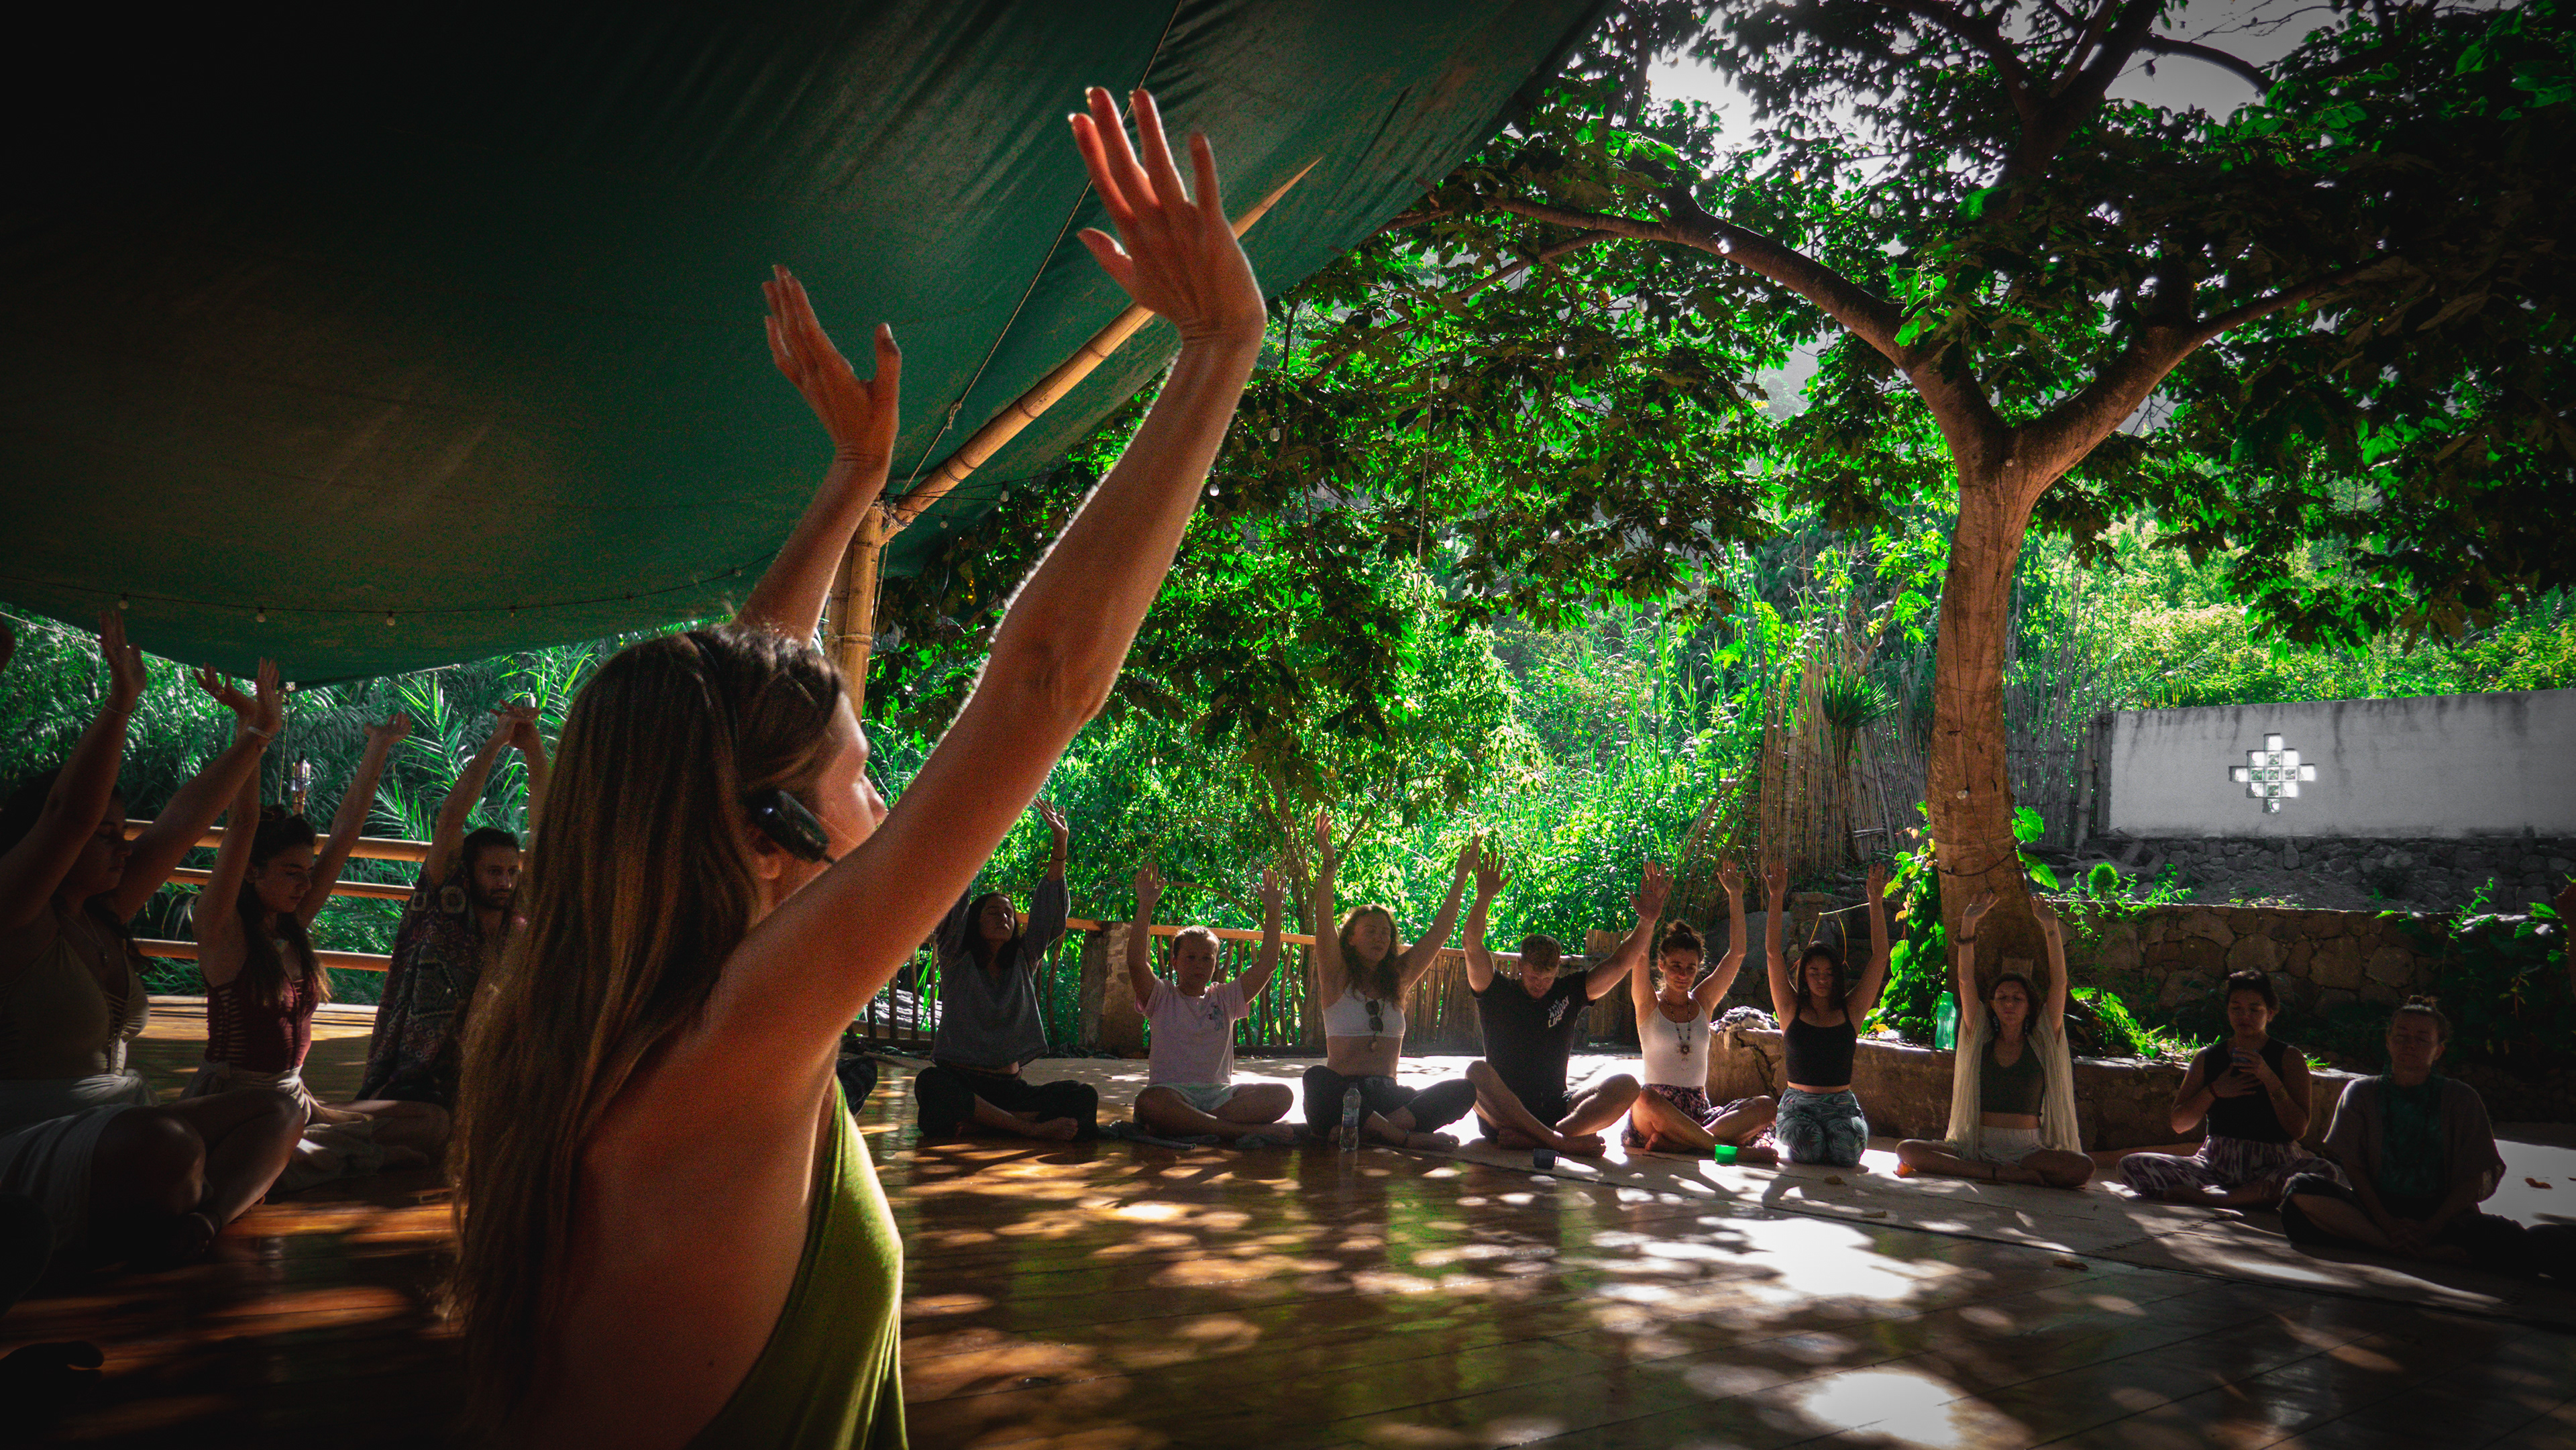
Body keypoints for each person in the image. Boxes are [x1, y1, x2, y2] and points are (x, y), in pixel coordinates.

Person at [447, 83, 1266, 1446]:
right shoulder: (739, 1040)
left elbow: (729, 719)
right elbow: (1042, 684)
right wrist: (1220, 349)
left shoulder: (594, 1016)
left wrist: (851, 482)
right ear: (766, 838)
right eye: (865, 778)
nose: (887, 809)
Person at [0, 615, 301, 1265]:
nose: (122, 845)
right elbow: (68, 814)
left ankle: (204, 1218)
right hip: (29, 1135)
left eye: (122, 831)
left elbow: (183, 820)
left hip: (119, 1122)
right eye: (105, 834)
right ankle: (178, 1194)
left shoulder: (102, 911)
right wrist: (119, 704)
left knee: (278, 1111)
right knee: (165, 1145)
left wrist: (257, 735)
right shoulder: (16, 915)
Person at [187, 716, 450, 1184]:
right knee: (263, 1152)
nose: (305, 883)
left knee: (432, 1122)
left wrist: (379, 746)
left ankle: (324, 1153)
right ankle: (315, 1156)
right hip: (235, 1104)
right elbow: (241, 825)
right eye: (291, 872)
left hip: (295, 1098)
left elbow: (345, 833)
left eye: (307, 872)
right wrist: (252, 730)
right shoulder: (223, 933)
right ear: (251, 871)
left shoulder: (291, 926)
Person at [2279, 999, 2576, 1280]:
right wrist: (2387, 1225)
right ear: (2388, 1042)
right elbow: (2354, 1169)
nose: (2410, 1044)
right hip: (2376, 1211)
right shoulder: (2361, 1093)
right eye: (2401, 1036)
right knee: (2299, 1191)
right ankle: (2407, 1249)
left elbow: (2472, 1178)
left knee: (2524, 1242)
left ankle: (2398, 1244)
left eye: (2422, 1039)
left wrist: (2429, 1229)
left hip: (2444, 1217)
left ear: (2439, 1050)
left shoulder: (2461, 1099)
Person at [356, 700, 545, 1106]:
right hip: (414, 1072)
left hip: (484, 1073)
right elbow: (452, 818)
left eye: (511, 872)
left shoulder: (517, 912)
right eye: (493, 872)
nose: (505, 882)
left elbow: (545, 829)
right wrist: (496, 742)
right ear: (468, 871)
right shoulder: (445, 900)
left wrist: (533, 750)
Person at [911, 802, 1097, 1142]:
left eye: (1009, 913)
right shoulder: (956, 954)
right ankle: (1026, 1127)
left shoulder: (1024, 959)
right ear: (974, 921)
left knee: (1082, 1096)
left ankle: (985, 1121)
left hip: (1010, 1088)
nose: (1004, 917)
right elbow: (956, 893)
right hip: (962, 1081)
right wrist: (972, 833)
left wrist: (1060, 844)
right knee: (931, 1084)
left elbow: (1048, 913)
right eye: (993, 912)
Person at [1301, 809, 1479, 1149]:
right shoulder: (1336, 978)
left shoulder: (1398, 979)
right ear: (1350, 939)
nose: (1380, 938)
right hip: (1343, 1094)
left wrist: (1460, 877)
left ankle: (1367, 1131)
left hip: (1388, 1098)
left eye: (1386, 932)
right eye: (1370, 931)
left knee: (1464, 1090)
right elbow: (1323, 919)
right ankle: (1399, 1137)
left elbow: (1439, 934)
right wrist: (1329, 863)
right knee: (1316, 1078)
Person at [1895, 888, 2094, 1188]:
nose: (2009, 1003)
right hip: (1976, 1145)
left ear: (2029, 1007)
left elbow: (2059, 984)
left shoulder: (2042, 1041)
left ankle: (1990, 1172)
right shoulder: (1980, 1039)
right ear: (1992, 1004)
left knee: (2082, 1168)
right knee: (1907, 1150)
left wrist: (2051, 927)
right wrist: (1968, 924)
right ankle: (1996, 1174)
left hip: (2028, 1151)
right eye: (2002, 997)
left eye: (2017, 998)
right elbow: (1965, 981)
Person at [1460, 844, 1645, 1155]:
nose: (1540, 984)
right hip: (1504, 1115)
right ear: (1520, 966)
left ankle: (1542, 1138)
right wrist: (1484, 896)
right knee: (1475, 1073)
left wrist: (1648, 921)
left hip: (1557, 1109)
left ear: (1558, 969)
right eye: (1534, 976)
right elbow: (1471, 944)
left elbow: (1620, 963)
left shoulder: (1569, 992)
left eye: (1548, 978)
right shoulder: (1497, 991)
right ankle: (1556, 1141)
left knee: (1627, 1085)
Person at [2117, 970, 2339, 1207]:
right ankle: (2247, 1198)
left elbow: (2297, 1130)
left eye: (2254, 1009)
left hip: (2272, 1167)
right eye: (2236, 1008)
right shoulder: (2207, 1058)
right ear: (2228, 1011)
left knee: (2323, 1171)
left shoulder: (2289, 1058)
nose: (2245, 1016)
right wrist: (2214, 1091)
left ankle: (2222, 1198)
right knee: (2131, 1165)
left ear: (2270, 1013)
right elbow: (2179, 1124)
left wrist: (2269, 1078)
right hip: (2213, 1167)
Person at [1124, 860, 1295, 1141]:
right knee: (1149, 1102)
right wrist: (1146, 906)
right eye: (1190, 957)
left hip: (1220, 1098)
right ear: (1175, 962)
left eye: (1207, 958)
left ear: (1216, 964)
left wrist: (1274, 911)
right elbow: (1135, 963)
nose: (1199, 964)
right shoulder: (1161, 997)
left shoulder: (1225, 998)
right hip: (1172, 1094)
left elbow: (1267, 965)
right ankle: (1238, 1131)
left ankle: (1193, 1125)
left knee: (1281, 1095)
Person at [1625, 857, 1777, 1159]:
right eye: (1675, 966)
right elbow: (1639, 956)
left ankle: (1684, 1144)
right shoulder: (1648, 1003)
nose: (1683, 974)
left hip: (1699, 1112)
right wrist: (1649, 917)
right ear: (1662, 965)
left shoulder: (1703, 1001)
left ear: (1698, 969)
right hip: (1656, 1112)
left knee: (1766, 1106)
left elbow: (1738, 953)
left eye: (1690, 968)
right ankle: (1728, 1151)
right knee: (1643, 1097)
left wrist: (1735, 895)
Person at [1762, 858, 1890, 1168]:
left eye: (1829, 973)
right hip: (1798, 1107)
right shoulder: (1790, 1009)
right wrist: (1776, 897)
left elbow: (1880, 958)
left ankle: (1837, 1137)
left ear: (1837, 977)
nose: (1822, 979)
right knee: (1809, 1148)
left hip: (1841, 1106)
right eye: (1814, 972)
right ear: (1804, 976)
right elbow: (1772, 953)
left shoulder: (1852, 1010)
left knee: (1846, 1151)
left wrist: (1875, 900)